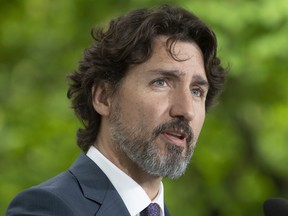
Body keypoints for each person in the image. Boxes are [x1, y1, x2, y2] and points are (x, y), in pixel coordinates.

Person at [6, 4, 227, 216]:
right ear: (103, 97)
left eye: (197, 91)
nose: (186, 110)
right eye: (162, 82)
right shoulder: (46, 208)